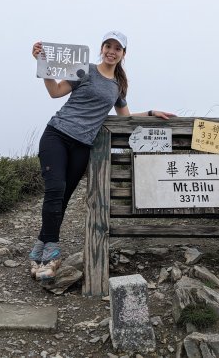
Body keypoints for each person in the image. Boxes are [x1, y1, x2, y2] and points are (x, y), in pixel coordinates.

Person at [30, 31, 176, 280]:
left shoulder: (117, 86)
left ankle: (38, 249)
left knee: (63, 197)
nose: (112, 51)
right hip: (57, 135)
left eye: (117, 48)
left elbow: (124, 117)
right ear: (102, 48)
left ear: (123, 54)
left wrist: (152, 112)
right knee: (54, 190)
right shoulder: (84, 69)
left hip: (82, 145)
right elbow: (55, 92)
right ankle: (51, 253)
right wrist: (42, 63)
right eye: (108, 45)